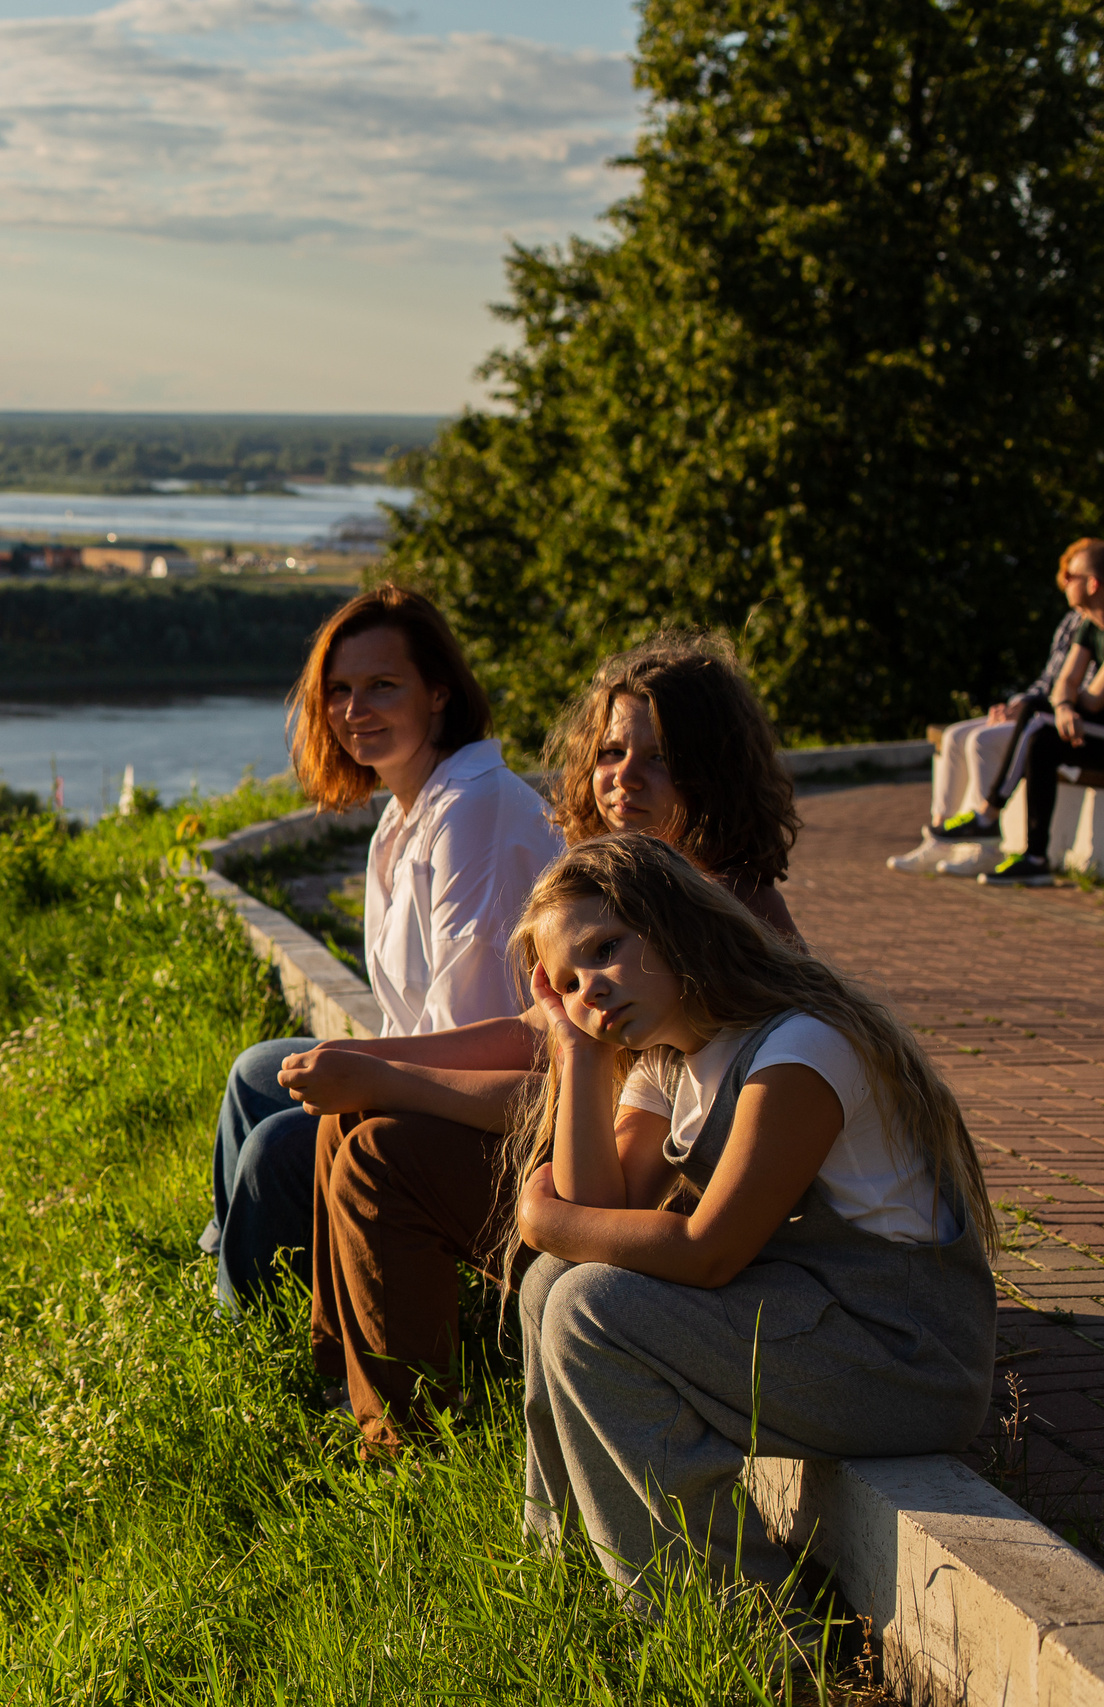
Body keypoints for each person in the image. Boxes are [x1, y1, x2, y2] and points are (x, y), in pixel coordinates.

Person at [292, 631, 805, 1450]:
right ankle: (341, 1382)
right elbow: (539, 1030)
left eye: (659, 758)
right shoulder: (632, 884)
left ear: (713, 771)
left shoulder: (713, 920)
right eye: (609, 751)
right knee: (344, 1118)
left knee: (380, 1151)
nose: (622, 777)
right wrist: (376, 1062)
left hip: (660, 1222)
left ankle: (406, 1443)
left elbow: (583, 1092)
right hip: (604, 1164)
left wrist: (392, 1083)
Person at [511, 834, 995, 1606]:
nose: (589, 990)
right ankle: (565, 1565)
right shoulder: (673, 1056)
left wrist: (542, 1213)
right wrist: (576, 1053)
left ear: (674, 922)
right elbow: (605, 1213)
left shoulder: (800, 1045)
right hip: (816, 1319)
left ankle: (752, 1622)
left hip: (906, 1355)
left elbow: (710, 1251)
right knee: (551, 1283)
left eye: (606, 948)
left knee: (587, 1305)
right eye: (567, 982)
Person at [201, 585, 557, 1311]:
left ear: (438, 693)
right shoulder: (405, 816)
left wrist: (364, 1072)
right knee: (254, 1074)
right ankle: (242, 1278)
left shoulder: (474, 812)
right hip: (427, 1078)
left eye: (382, 685)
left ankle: (263, 1341)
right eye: (338, 691)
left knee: (278, 1146)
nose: (354, 710)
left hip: (493, 1117)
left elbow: (485, 1040)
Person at [897, 538, 1104, 881]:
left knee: (1037, 714)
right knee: (1041, 744)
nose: (1064, 581)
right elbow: (1066, 681)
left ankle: (988, 816)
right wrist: (1064, 704)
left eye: (1072, 576)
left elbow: (1095, 700)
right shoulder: (1088, 625)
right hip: (1089, 729)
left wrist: (1062, 704)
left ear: (1093, 583)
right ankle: (1035, 859)